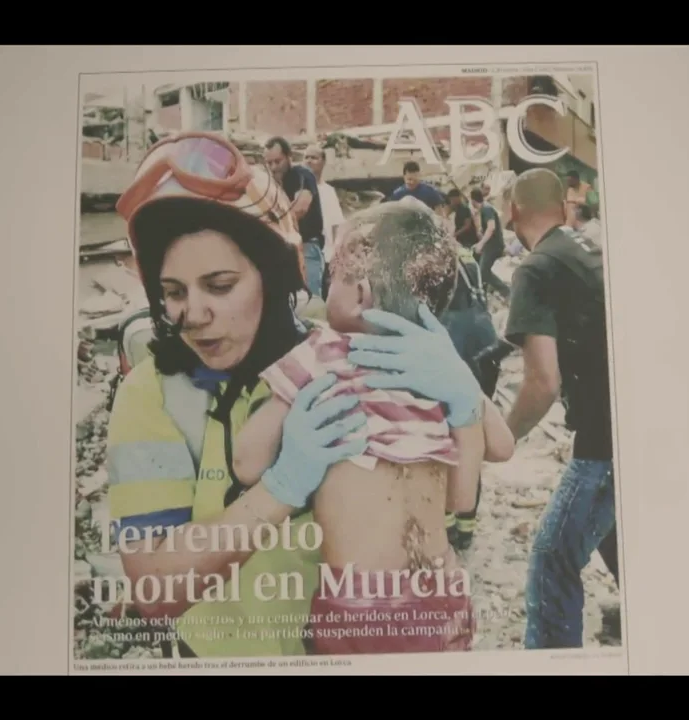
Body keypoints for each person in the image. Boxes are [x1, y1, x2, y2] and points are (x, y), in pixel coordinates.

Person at [103, 131, 507, 658]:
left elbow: (492, 443)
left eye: (220, 285)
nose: (193, 315)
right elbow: (153, 588)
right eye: (173, 293)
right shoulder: (152, 392)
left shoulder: (330, 343)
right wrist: (281, 489)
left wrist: (460, 386)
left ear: (270, 278)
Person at [231, 201, 515, 654]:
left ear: (360, 292)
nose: (327, 287)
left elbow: (246, 462)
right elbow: (501, 445)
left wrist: (286, 456)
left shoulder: (322, 353)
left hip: (359, 608)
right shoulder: (435, 361)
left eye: (336, 275)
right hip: (442, 599)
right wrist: (464, 391)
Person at [499, 168, 617, 649]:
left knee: (551, 557)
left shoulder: (536, 267)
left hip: (603, 437)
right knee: (613, 536)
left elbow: (542, 382)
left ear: (514, 209)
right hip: (628, 419)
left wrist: (504, 438)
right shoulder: (584, 249)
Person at [264, 136, 326, 299]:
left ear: (289, 157)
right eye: (269, 163)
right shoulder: (269, 184)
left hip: (306, 247)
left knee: (311, 301)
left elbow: (301, 207)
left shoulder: (302, 175)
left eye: (278, 161)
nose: (273, 167)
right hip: (283, 249)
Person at [303, 144, 346, 298]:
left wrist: (336, 252)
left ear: (323, 162)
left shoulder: (328, 191)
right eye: (306, 157)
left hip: (326, 255)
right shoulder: (299, 189)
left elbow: (337, 224)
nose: (309, 161)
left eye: (314, 158)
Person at [470, 188, 510, 298]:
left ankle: (506, 291)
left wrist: (481, 244)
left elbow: (491, 228)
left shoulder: (486, 209)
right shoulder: (484, 209)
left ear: (473, 200)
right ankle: (488, 290)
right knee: (481, 268)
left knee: (483, 272)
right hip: (490, 245)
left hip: (494, 246)